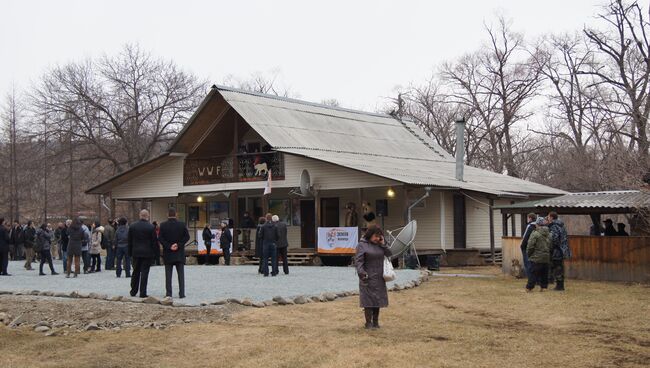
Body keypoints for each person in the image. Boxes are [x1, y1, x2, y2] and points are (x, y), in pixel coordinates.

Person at [355, 226, 392, 329]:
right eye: (375, 236)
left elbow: (390, 254)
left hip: (380, 276)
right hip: (367, 276)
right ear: (370, 235)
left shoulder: (380, 245)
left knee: (378, 299)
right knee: (368, 300)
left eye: (379, 236)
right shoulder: (362, 245)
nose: (377, 238)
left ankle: (376, 322)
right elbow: (359, 261)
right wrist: (361, 273)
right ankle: (368, 323)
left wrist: (383, 244)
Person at [159, 208, 190, 298]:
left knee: (168, 275)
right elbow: (187, 237)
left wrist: (169, 246)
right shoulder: (182, 224)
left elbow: (160, 238)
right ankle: (182, 293)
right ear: (176, 214)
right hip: (179, 253)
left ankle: (169, 293)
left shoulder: (163, 225)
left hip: (168, 253)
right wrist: (178, 245)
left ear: (167, 214)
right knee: (181, 274)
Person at [128, 210, 157, 298]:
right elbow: (154, 242)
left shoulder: (132, 226)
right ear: (147, 216)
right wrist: (155, 254)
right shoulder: (151, 227)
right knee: (145, 273)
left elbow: (129, 241)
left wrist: (130, 252)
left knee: (135, 272)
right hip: (147, 253)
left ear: (140, 215)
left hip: (136, 252)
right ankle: (143, 292)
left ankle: (133, 291)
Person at [526, 217, 551, 292]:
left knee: (533, 273)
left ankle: (529, 288)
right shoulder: (548, 233)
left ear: (537, 224)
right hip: (546, 257)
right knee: (544, 273)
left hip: (536, 257)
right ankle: (544, 287)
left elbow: (530, 246)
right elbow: (550, 245)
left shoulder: (535, 234)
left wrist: (529, 254)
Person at [547, 211, 571, 291]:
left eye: (548, 217)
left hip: (557, 250)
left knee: (557, 267)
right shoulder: (561, 225)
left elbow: (555, 239)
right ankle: (559, 285)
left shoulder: (554, 226)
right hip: (562, 249)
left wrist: (551, 246)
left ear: (551, 217)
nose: (547, 218)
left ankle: (559, 286)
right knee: (559, 267)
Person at [519, 213, 537, 277]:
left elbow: (526, 236)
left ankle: (530, 278)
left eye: (528, 218)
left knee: (527, 263)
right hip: (535, 247)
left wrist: (522, 246)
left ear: (530, 218)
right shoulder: (538, 225)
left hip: (527, 246)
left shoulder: (530, 226)